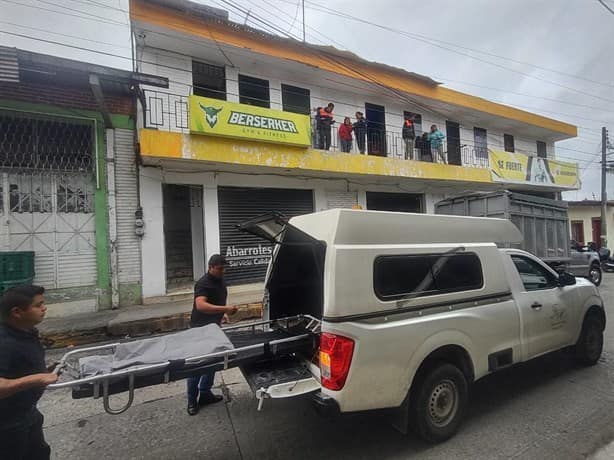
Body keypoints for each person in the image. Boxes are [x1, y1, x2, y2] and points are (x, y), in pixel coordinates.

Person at [0, 285, 58, 460]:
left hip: (27, 412)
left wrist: (44, 371)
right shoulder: (4, 343)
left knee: (39, 453)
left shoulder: (26, 331)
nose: (44, 308)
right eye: (38, 305)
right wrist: (37, 378)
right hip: (7, 423)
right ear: (17, 312)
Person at [187, 254, 238, 416]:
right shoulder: (203, 283)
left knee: (213, 361)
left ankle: (205, 393)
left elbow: (218, 300)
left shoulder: (221, 280)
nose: (223, 271)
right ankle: (192, 400)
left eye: (224, 268)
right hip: (199, 329)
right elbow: (201, 305)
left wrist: (222, 314)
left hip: (214, 327)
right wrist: (225, 309)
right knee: (197, 365)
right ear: (210, 267)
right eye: (220, 269)